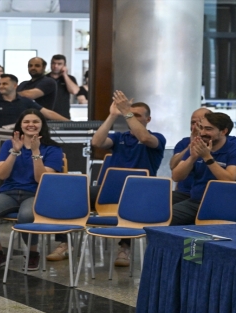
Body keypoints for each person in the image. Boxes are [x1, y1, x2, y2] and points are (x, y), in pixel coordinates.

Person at [70, 90, 165, 267]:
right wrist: (113, 115)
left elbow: (144, 137)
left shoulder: (157, 138)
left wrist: (127, 112)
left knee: (129, 203)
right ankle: (63, 241)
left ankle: (124, 247)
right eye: (129, 114)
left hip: (140, 193)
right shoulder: (119, 137)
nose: (132, 118)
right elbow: (97, 142)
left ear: (148, 119)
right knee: (72, 196)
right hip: (112, 190)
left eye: (137, 115)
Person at [0, 109, 63, 271]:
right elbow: (1, 174)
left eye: (35, 122)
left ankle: (33, 253)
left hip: (36, 194)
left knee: (25, 216)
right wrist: (14, 152)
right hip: (9, 192)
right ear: (20, 125)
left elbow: (42, 179)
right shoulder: (9, 145)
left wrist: (36, 152)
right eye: (26, 122)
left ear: (42, 125)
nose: (30, 125)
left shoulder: (52, 148)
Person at [171, 112, 236, 225]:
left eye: (208, 129)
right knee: (160, 217)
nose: (202, 133)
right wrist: (192, 158)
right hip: (196, 201)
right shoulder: (198, 145)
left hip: (223, 205)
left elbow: (229, 180)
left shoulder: (232, 148)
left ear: (224, 131)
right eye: (201, 128)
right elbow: (176, 176)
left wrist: (207, 157)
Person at [169, 108, 212, 204]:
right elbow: (173, 166)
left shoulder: (217, 143)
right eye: (193, 123)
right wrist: (191, 146)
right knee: (151, 200)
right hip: (183, 193)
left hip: (203, 195)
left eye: (200, 123)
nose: (195, 126)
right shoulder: (184, 142)